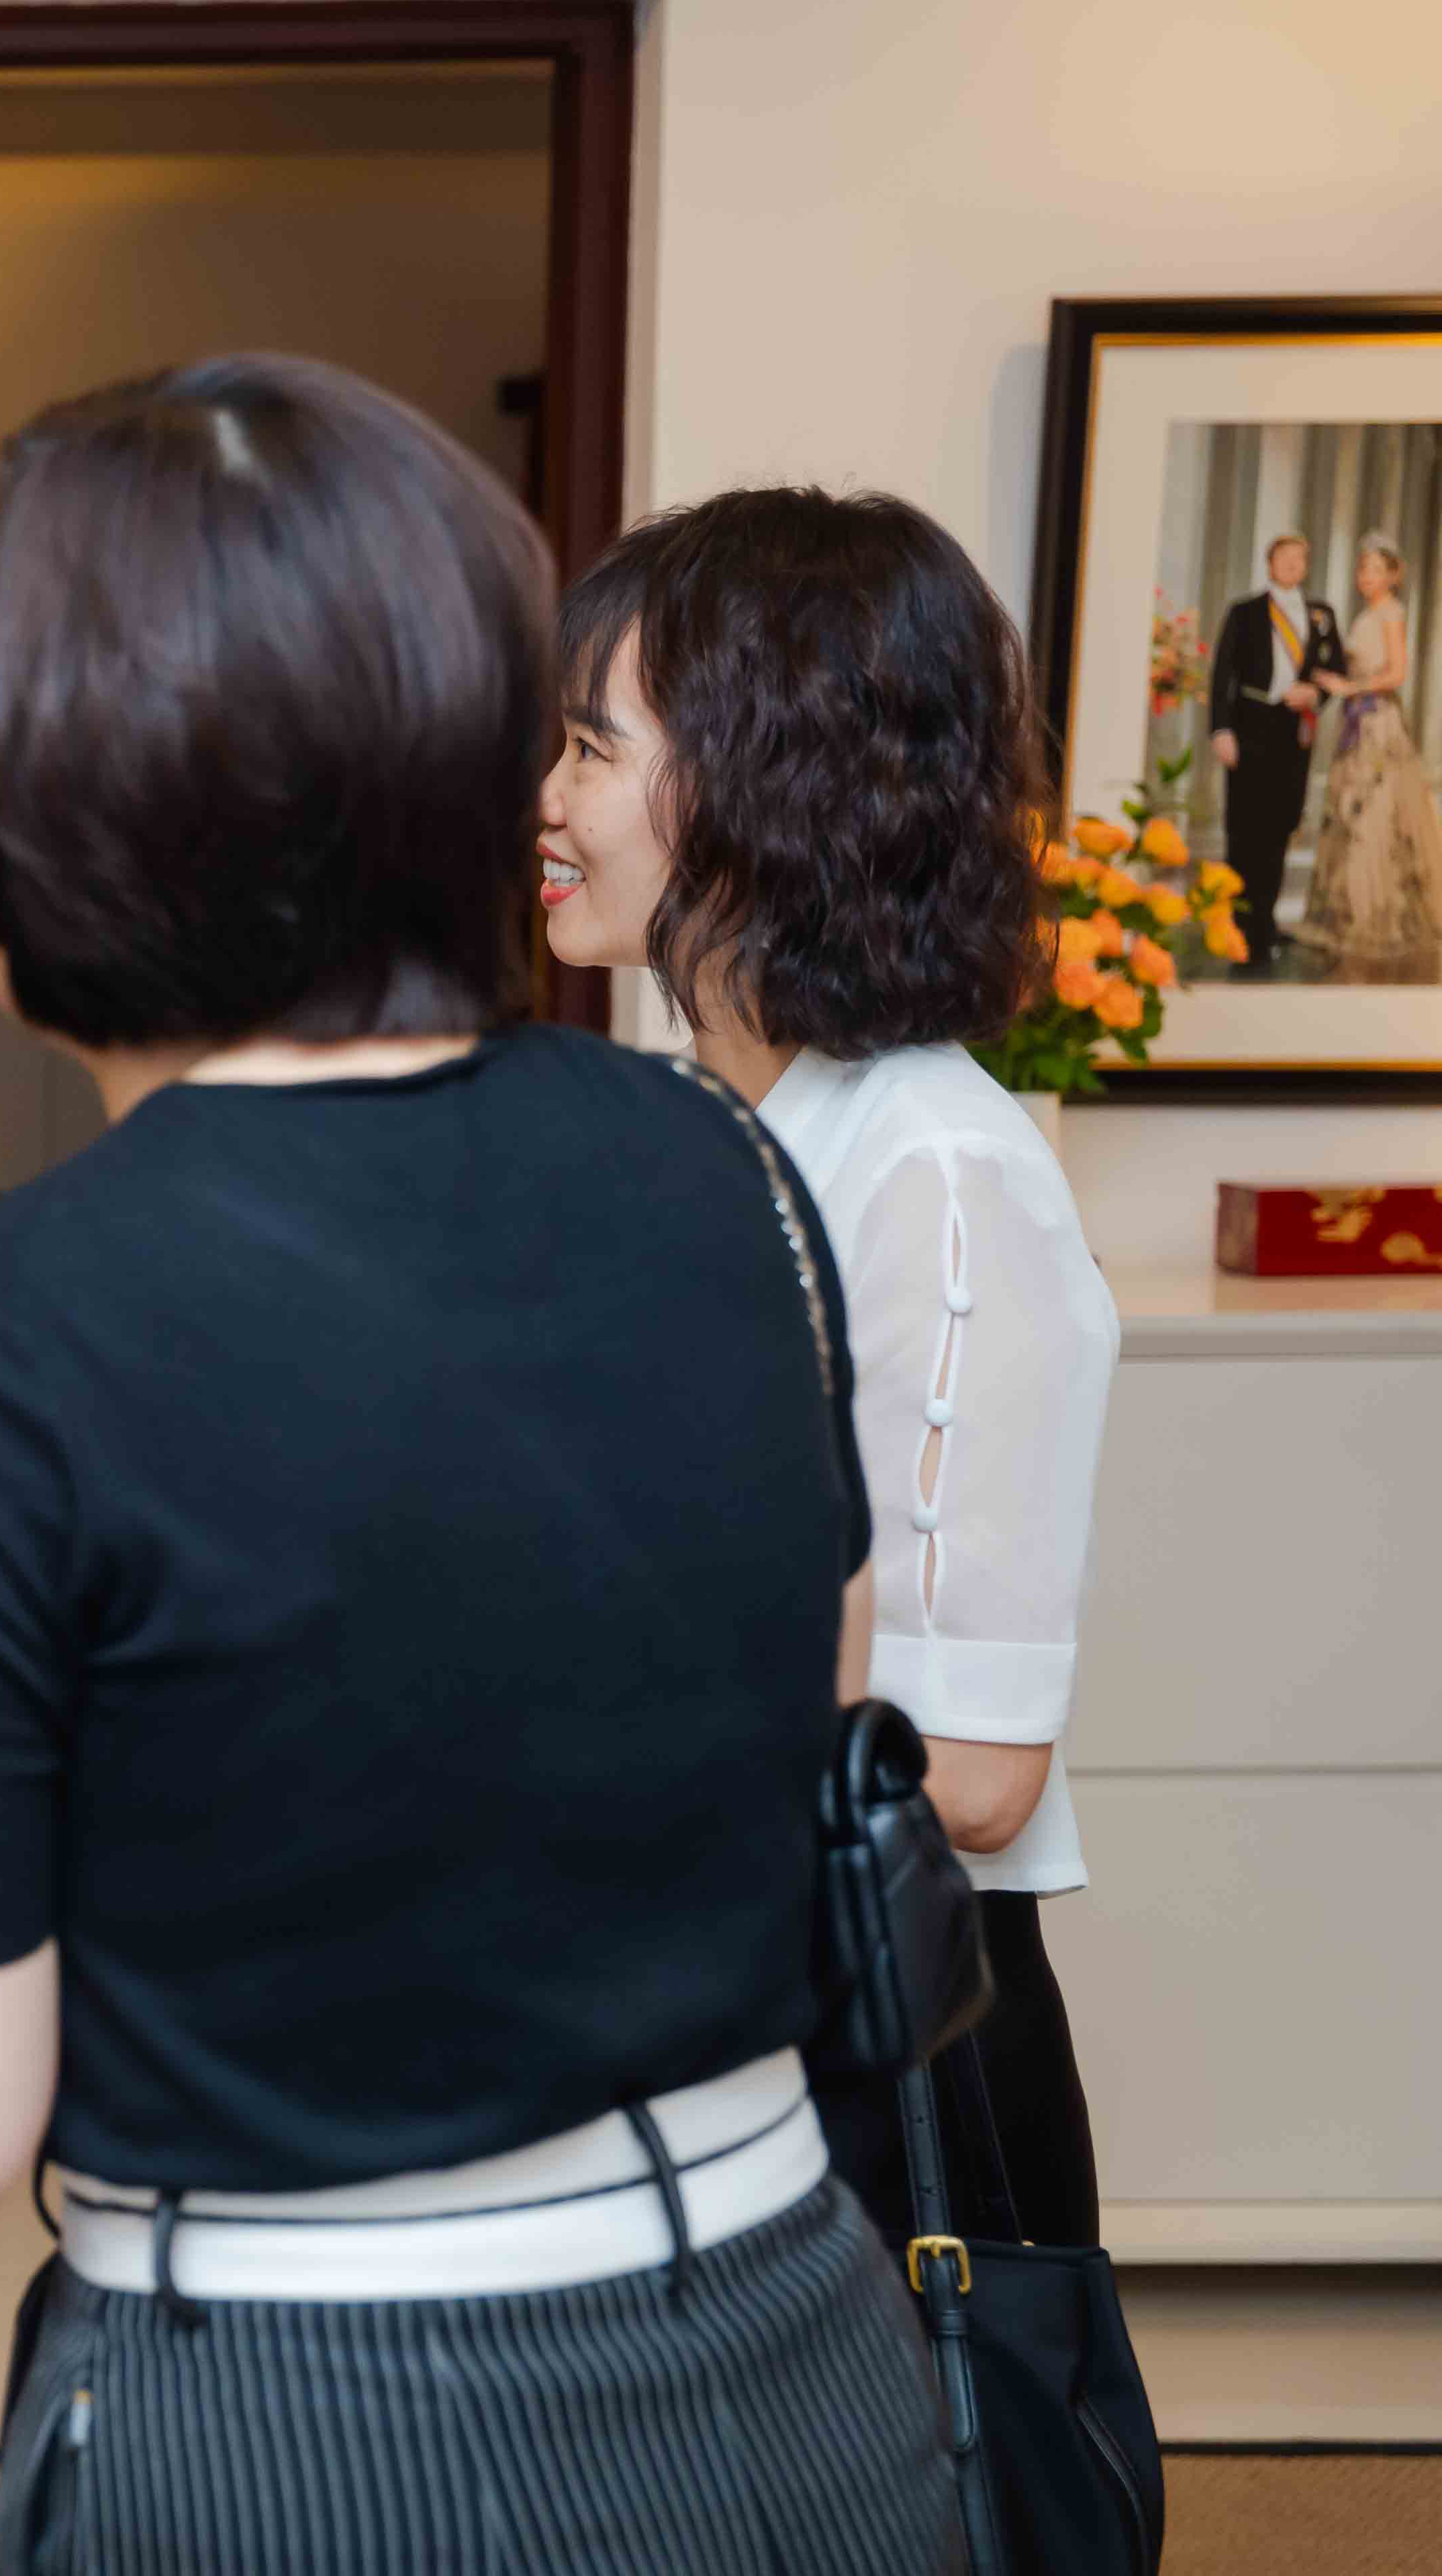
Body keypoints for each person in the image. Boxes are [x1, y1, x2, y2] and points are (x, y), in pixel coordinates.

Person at [0, 358, 958, 2574]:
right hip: (804, 2358)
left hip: (305, 2424)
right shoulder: (713, 1159)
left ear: (46, 800)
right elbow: (771, 1720)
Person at [542, 484, 1116, 2256]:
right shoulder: (705, 1132)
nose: (545, 799)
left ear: (760, 780)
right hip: (715, 2005)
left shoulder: (936, 1169)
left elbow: (976, 1768)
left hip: (888, 2065)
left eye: (590, 749)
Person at [1304, 530, 1442, 985]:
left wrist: (1351, 687)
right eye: (1363, 568)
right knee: (1351, 814)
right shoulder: (1365, 614)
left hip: (1379, 722)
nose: (1366, 576)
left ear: (1393, 576)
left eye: (1376, 569)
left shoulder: (1391, 613)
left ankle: (1375, 916)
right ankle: (1350, 913)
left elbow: (1397, 673)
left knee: (1375, 817)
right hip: (1357, 721)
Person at [1207, 529, 1347, 971]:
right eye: (1284, 557)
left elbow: (1337, 669)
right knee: (1244, 828)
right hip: (1249, 725)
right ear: (1270, 563)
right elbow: (1222, 674)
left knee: (1281, 824)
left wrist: (1316, 695)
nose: (1291, 565)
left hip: (1294, 732)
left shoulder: (1321, 614)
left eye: (1299, 559)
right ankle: (1239, 925)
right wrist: (1220, 730)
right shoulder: (1245, 611)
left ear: (1306, 567)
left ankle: (1265, 921)